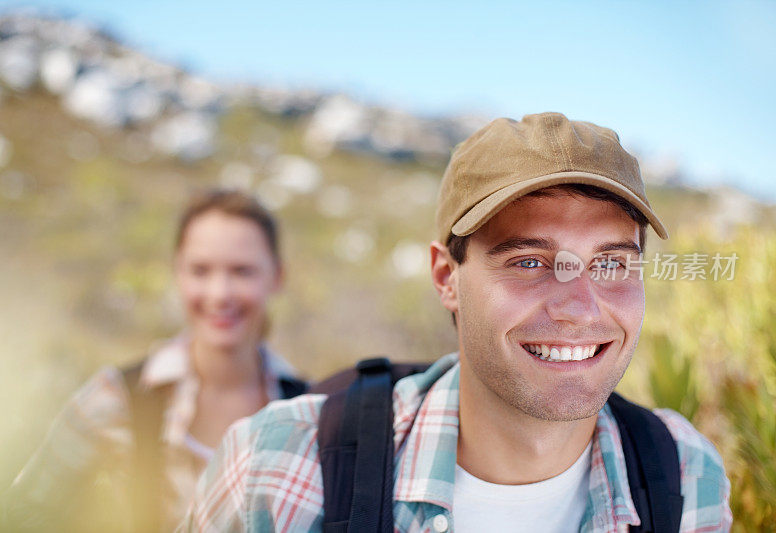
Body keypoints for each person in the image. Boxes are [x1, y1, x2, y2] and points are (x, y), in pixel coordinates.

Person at [181, 113, 732, 532]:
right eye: (529, 262)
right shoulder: (277, 466)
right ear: (447, 276)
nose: (579, 307)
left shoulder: (684, 477)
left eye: (611, 263)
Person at [7, 189, 305, 532]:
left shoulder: (310, 413)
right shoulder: (116, 396)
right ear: (178, 273)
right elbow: (22, 512)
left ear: (277, 276)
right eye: (200, 270)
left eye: (242, 271)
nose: (219, 293)